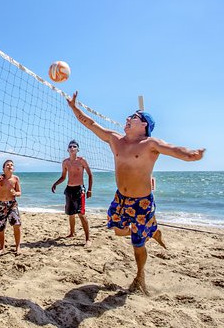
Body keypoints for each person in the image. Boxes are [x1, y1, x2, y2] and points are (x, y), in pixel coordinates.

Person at [66, 91, 205, 294]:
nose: (127, 119)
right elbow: (90, 124)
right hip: (120, 199)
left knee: (137, 244)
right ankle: (153, 230)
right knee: (119, 231)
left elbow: (173, 148)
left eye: (133, 117)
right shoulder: (115, 139)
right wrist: (73, 107)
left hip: (142, 203)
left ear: (144, 125)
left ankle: (140, 276)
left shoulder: (150, 144)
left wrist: (190, 155)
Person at [51, 140, 93, 247]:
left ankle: (88, 239)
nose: (72, 148)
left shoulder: (82, 161)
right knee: (70, 214)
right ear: (68, 149)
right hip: (69, 189)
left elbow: (90, 175)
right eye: (70, 146)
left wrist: (89, 190)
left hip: (79, 189)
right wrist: (55, 184)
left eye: (74, 146)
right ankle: (72, 233)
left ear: (78, 149)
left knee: (81, 214)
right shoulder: (65, 162)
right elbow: (63, 177)